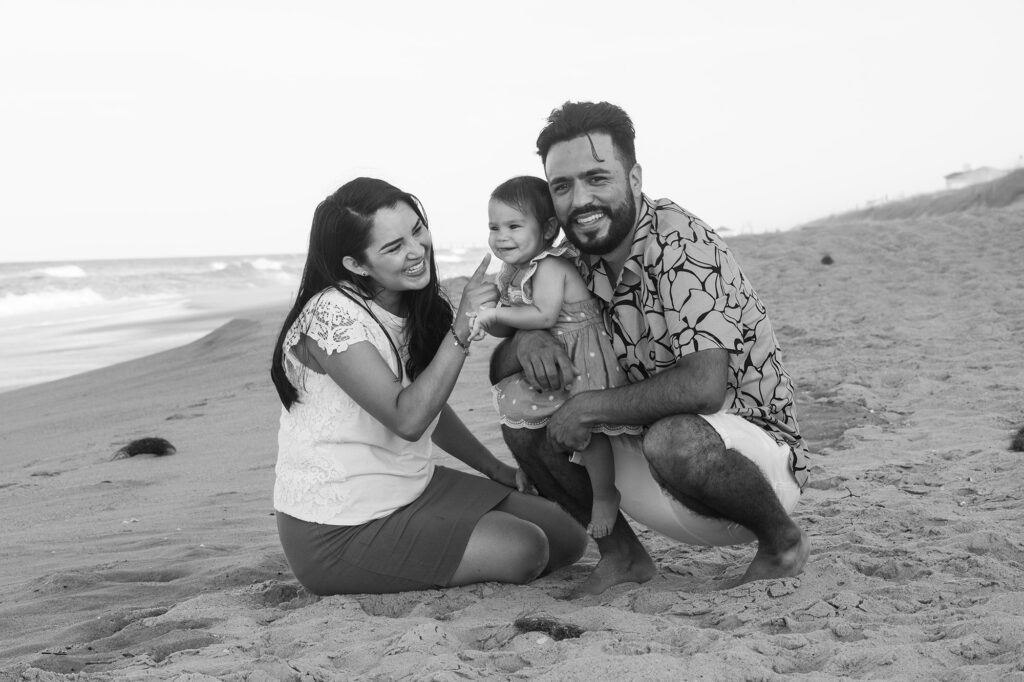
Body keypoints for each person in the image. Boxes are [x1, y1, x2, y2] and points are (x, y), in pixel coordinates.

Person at [490, 102, 811, 596]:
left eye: (598, 178)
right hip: (648, 459)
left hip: (746, 463)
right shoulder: (569, 262)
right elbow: (497, 369)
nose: (581, 200)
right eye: (562, 186)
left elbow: (703, 388)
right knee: (525, 423)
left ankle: (781, 544)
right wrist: (528, 337)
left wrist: (589, 406)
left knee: (672, 435)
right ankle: (623, 557)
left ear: (634, 178)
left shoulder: (682, 244)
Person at [270, 177, 586, 596]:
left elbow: (428, 402)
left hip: (413, 487)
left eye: (417, 230)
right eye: (393, 247)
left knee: (568, 536)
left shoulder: (407, 300)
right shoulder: (332, 315)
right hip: (339, 524)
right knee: (526, 549)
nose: (416, 251)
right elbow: (410, 417)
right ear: (356, 265)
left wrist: (496, 470)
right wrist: (460, 330)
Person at [469, 175, 643, 539]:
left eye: (514, 226)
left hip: (584, 352)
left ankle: (605, 493)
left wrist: (498, 314)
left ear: (548, 229)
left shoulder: (549, 266)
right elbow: (510, 328)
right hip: (560, 353)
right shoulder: (513, 270)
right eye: (494, 227)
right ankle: (539, 471)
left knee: (588, 431)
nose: (501, 236)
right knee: (523, 413)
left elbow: (542, 316)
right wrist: (488, 312)